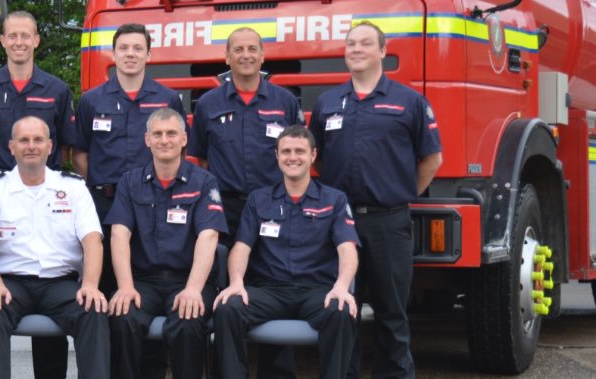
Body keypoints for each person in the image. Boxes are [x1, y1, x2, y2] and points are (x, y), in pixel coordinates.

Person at [308, 22, 443, 378]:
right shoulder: (327, 103)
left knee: (391, 312)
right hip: (338, 224)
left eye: (366, 43)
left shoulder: (409, 102)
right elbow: (317, 159)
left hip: (388, 223)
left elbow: (432, 159)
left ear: (383, 51)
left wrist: (401, 192)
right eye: (351, 43)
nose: (356, 49)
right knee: (341, 309)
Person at [0, 116, 110, 379]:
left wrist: (90, 285)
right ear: (12, 147)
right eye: (24, 140)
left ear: (50, 146)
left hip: (61, 283)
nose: (31, 146)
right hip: (10, 283)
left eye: (38, 140)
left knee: (93, 309)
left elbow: (92, 240)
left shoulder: (73, 187)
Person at [213, 126, 359, 379]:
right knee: (228, 308)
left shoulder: (334, 200)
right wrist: (236, 282)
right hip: (270, 291)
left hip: (317, 291)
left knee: (341, 311)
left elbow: (347, 248)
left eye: (300, 151)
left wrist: (342, 286)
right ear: (277, 156)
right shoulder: (259, 199)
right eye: (286, 151)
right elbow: (241, 248)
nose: (293, 157)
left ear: (313, 155)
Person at [105, 108, 226, 379]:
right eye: (157, 134)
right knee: (123, 318)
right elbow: (119, 234)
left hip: (188, 279)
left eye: (171, 133)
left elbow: (209, 236)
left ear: (184, 139)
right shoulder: (130, 182)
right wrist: (125, 287)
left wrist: (193, 289)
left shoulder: (204, 182)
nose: (164, 140)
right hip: (143, 281)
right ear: (147, 140)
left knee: (188, 321)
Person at [72, 22, 185, 292]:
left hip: (153, 201)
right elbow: (79, 153)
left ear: (149, 54)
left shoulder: (168, 99)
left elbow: (178, 149)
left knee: (145, 277)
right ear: (113, 53)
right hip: (104, 202)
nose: (130, 54)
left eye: (137, 48)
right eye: (123, 48)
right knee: (103, 280)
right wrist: (103, 184)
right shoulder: (91, 100)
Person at [188, 27, 304, 246]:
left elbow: (301, 153)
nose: (246, 55)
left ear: (262, 55)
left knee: (274, 265)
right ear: (227, 57)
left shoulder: (285, 101)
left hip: (274, 204)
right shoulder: (207, 104)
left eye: (252, 49)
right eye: (238, 49)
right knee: (224, 264)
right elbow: (203, 158)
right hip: (225, 208)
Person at [0, 11, 74, 176]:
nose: (19, 42)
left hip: (43, 185)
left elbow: (65, 145)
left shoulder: (58, 90)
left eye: (25, 36)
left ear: (36, 40)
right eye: (12, 36)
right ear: (3, 41)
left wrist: (41, 176)